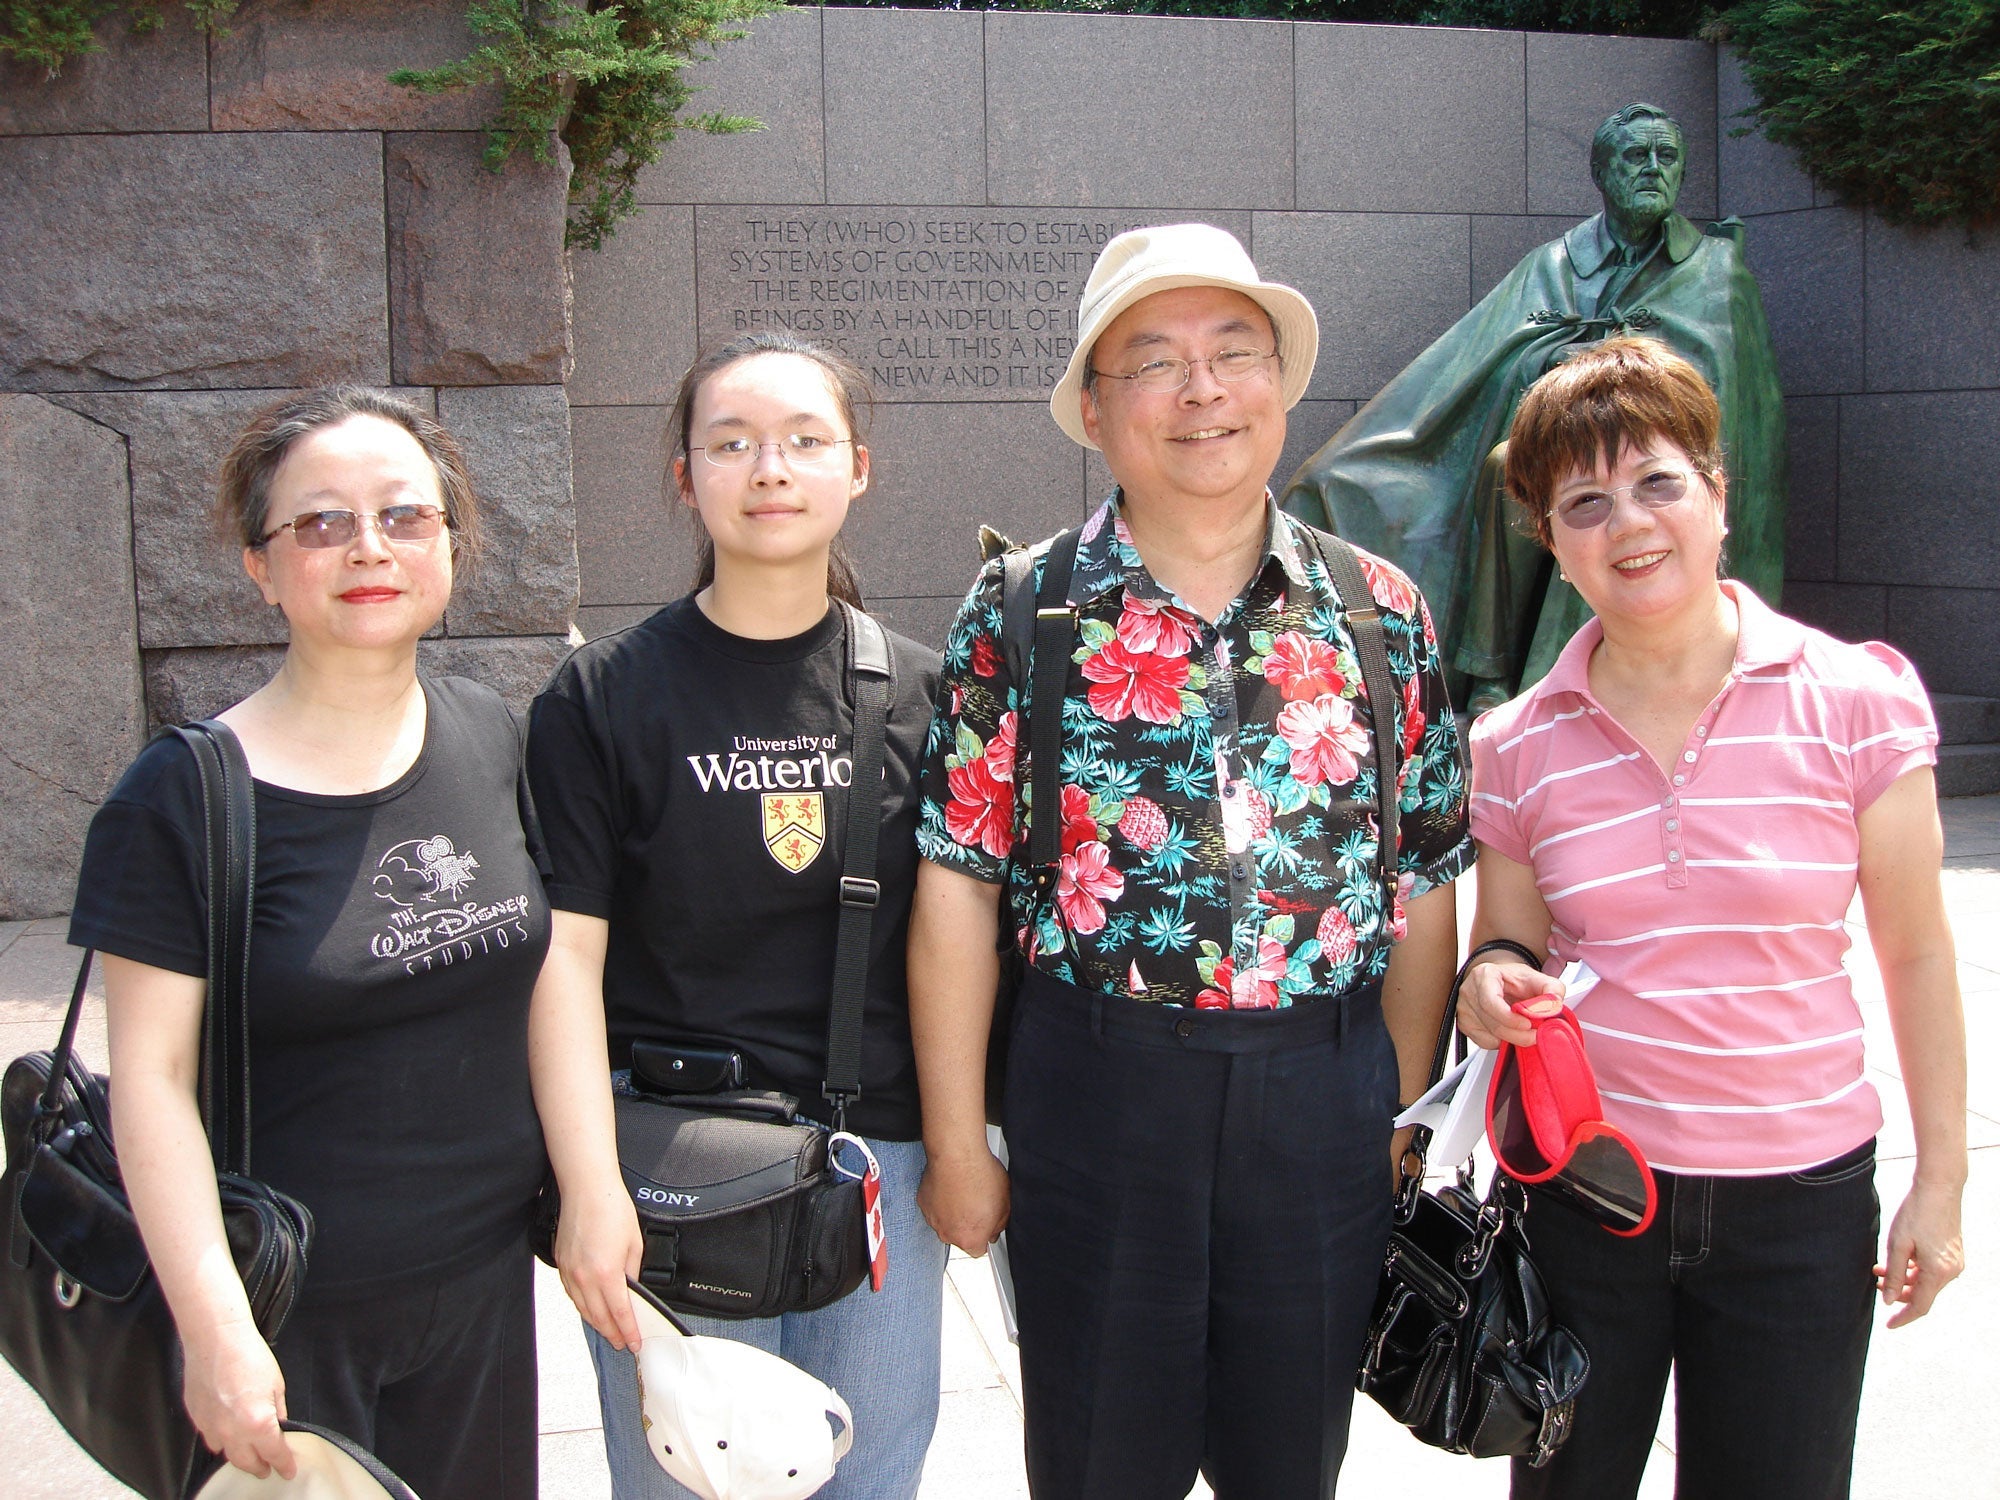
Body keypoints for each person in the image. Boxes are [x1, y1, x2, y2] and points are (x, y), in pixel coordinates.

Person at [909, 223, 1472, 1499]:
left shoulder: (1379, 609)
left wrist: (1397, 1108)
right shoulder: (1019, 609)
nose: (1201, 390)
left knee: (1292, 1464)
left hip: (1322, 1095)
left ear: (1279, 384)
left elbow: (1424, 879)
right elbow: (955, 881)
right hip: (1095, 1096)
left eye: (1233, 352)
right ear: (1098, 414)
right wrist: (957, 1141)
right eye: (1153, 361)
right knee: (1103, 1459)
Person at [1457, 336, 1967, 1499]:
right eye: (1583, 502)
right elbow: (1506, 940)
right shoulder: (1516, 745)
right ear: (1549, 541)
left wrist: (1938, 1180)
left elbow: (1918, 951)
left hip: (1798, 1204)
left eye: (1655, 481)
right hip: (1588, 1197)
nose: (1627, 523)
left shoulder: (1856, 698)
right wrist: (1488, 979)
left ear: (1715, 493)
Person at [69, 388, 555, 1499]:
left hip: (479, 1297)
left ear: (450, 543)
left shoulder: (487, 733)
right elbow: (146, 1082)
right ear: (260, 561)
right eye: (321, 522)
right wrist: (214, 1328)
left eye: (403, 515)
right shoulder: (184, 795)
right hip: (289, 1313)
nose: (367, 548)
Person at [526, 332, 949, 1500]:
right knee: (687, 1486)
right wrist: (587, 1185)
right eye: (731, 442)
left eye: (804, 441)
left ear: (855, 467)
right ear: (684, 475)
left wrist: (962, 1146)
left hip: (875, 1163)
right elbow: (564, 956)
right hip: (670, 1160)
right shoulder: (601, 696)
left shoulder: (925, 691)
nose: (770, 468)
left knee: (866, 1477)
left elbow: (953, 945)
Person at [1283, 103, 1786, 710]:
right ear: (1602, 173)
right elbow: (1483, 361)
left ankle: (1525, 678)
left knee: (1524, 471)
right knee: (1361, 479)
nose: (1653, 169)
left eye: (1667, 156)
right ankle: (1480, 674)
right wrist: (1549, 359)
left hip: (1649, 463)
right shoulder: (1553, 264)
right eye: (1635, 156)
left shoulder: (1716, 269)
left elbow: (1725, 391)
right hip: (1554, 443)